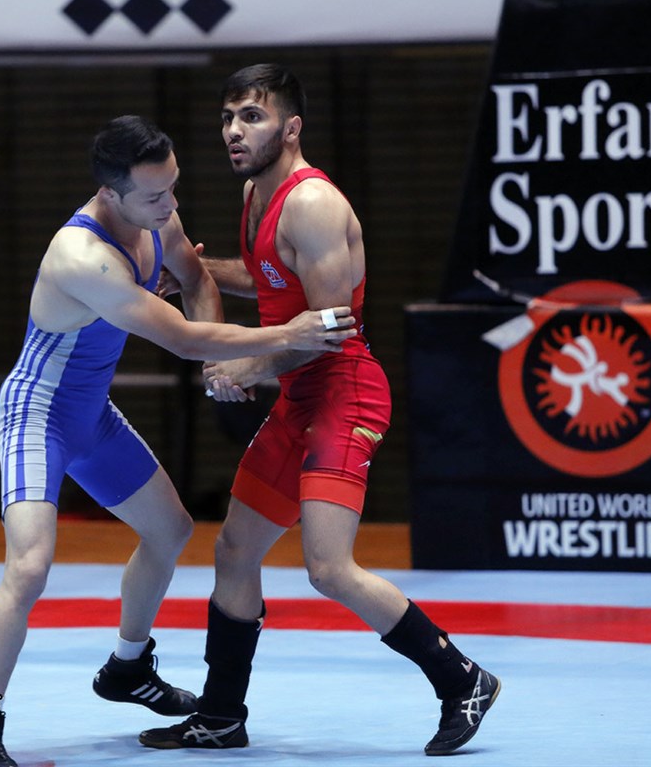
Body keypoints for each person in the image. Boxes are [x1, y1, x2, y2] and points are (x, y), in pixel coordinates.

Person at [0, 114, 361, 767]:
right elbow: (181, 337)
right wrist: (288, 334)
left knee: (170, 531)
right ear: (109, 194)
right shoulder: (81, 257)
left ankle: (127, 667)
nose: (170, 206)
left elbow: (196, 281)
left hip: (90, 416)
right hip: (37, 416)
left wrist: (217, 371)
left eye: (173, 187)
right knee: (29, 567)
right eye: (154, 195)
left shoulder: (154, 216)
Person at [139, 64, 501, 757]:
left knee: (329, 568)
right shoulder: (255, 194)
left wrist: (249, 365)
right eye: (227, 117)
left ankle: (463, 679)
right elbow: (272, 280)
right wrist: (199, 274)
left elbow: (329, 328)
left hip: (344, 391)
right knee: (235, 550)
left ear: (291, 127)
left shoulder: (312, 204)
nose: (234, 131)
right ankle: (221, 715)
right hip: (300, 397)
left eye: (251, 116)